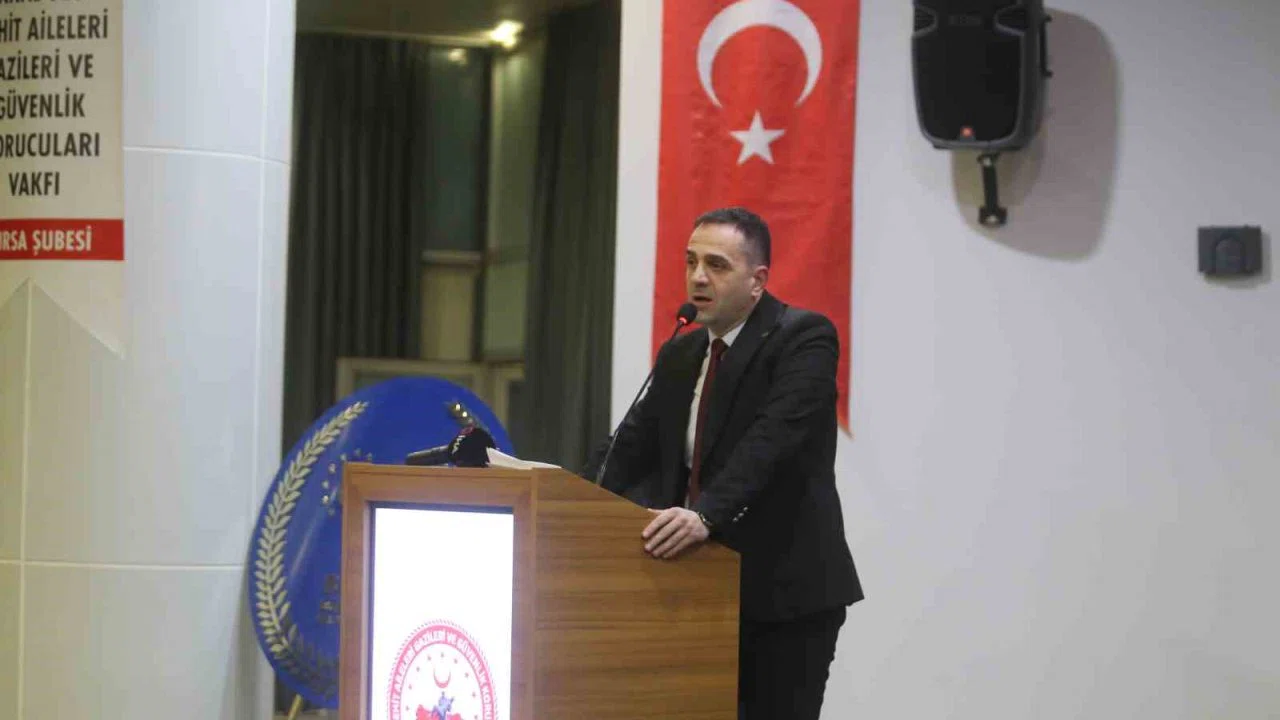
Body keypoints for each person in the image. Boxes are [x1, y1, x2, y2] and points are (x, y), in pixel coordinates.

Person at [586, 206, 863, 719]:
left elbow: (771, 442)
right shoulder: (682, 353)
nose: (697, 276)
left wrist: (704, 515)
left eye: (716, 265)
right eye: (691, 261)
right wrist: (572, 500)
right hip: (692, 590)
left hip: (783, 599)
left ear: (757, 280)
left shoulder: (803, 339)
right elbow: (628, 448)